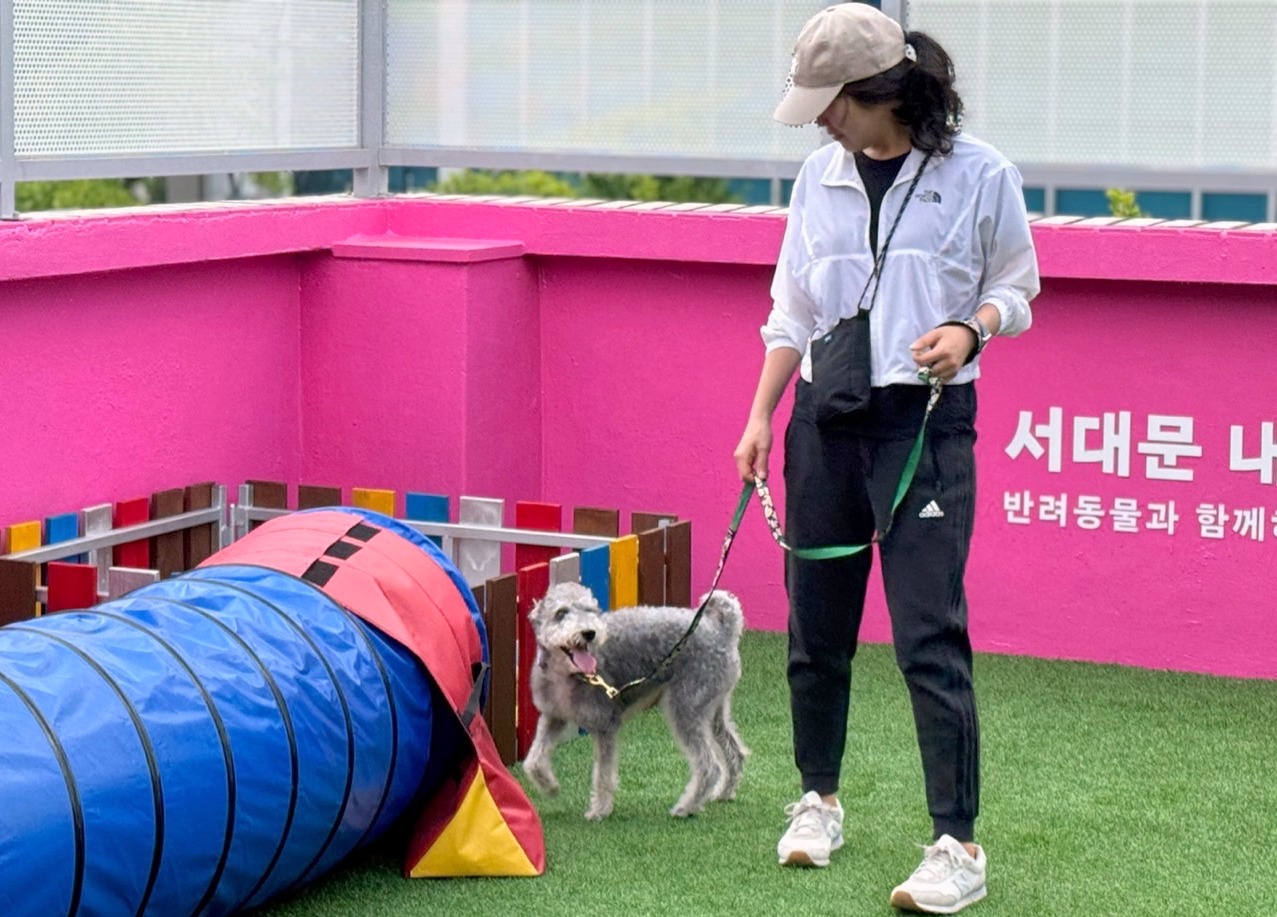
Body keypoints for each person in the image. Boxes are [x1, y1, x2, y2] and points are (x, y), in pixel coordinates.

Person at [732, 3, 1039, 913]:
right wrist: (759, 415)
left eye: (834, 105)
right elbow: (791, 309)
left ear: (883, 93)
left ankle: (956, 844)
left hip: (927, 429)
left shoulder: (980, 174)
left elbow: (1014, 285)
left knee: (927, 638)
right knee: (813, 631)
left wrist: (968, 327)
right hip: (823, 422)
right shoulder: (816, 179)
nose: (823, 121)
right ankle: (817, 798)